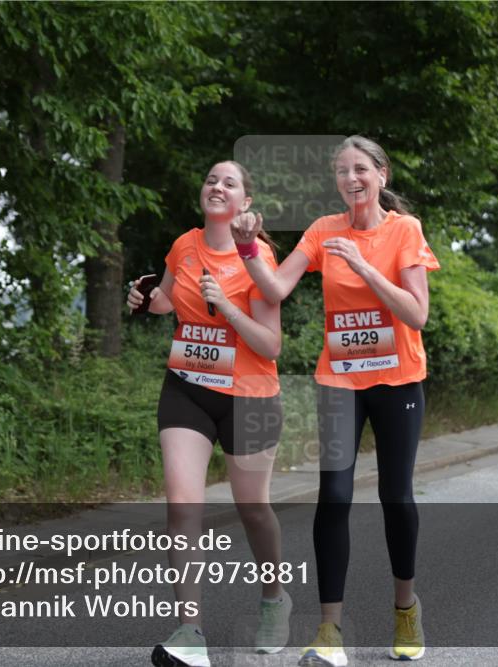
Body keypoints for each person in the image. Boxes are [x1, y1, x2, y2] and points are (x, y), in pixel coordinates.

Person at [232, 135, 440, 665]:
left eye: (361, 169)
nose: (351, 179)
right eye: (342, 171)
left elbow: (417, 315)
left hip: (398, 382)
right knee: (336, 497)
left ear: (381, 176)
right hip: (341, 381)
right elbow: (275, 289)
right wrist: (248, 249)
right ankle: (330, 631)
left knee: (396, 496)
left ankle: (405, 609)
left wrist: (367, 268)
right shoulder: (324, 230)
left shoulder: (404, 231)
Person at [127, 161, 291, 667]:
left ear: (245, 204)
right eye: (211, 179)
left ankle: (273, 598)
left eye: (230, 182)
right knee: (182, 505)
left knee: (253, 510)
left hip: (250, 394)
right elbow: (167, 298)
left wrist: (227, 305)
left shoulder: (257, 257)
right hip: (188, 388)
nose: (217, 187)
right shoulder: (184, 244)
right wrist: (144, 298)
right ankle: (190, 631)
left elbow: (271, 343)